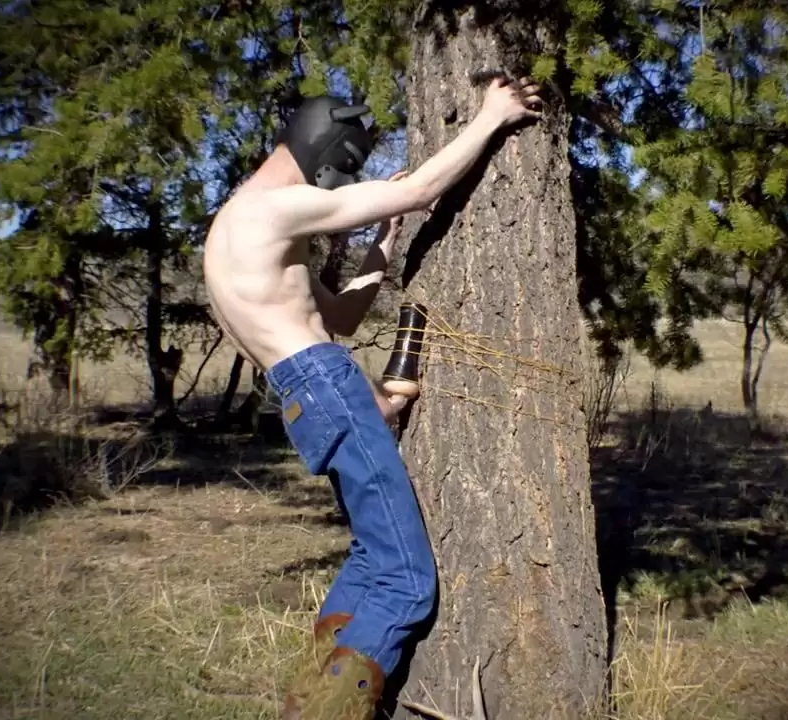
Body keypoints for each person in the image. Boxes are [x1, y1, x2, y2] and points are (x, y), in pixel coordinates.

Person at [202, 76, 543, 720]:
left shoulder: (236, 231)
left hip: (310, 396)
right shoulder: (271, 210)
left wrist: (383, 240)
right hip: (326, 386)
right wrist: (491, 116)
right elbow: (417, 190)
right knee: (408, 584)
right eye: (345, 169)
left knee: (369, 558)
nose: (338, 184)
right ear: (325, 145)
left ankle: (308, 702)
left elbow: (341, 319)